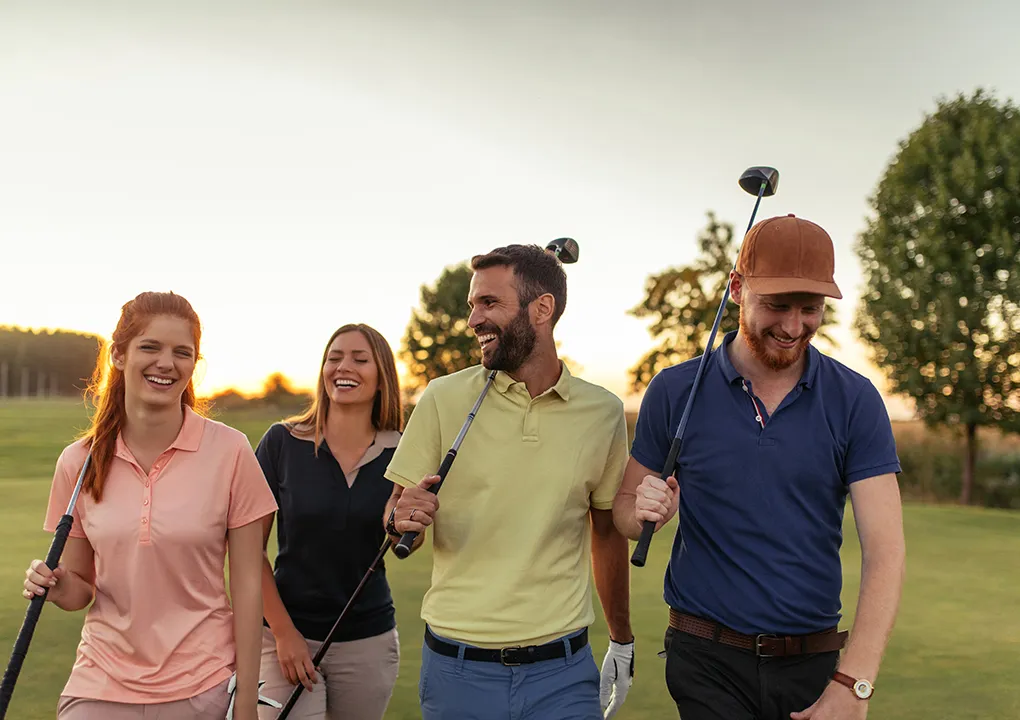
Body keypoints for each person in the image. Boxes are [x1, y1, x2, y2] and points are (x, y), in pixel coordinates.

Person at [614, 214, 907, 720]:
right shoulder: (674, 390)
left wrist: (853, 683)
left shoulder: (855, 400)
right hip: (705, 659)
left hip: (813, 665)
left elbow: (887, 553)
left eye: (810, 309)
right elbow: (622, 512)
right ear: (736, 289)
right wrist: (643, 510)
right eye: (776, 306)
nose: (794, 327)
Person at [384, 243, 635, 720]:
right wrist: (400, 519)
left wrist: (621, 639)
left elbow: (606, 533)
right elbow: (396, 519)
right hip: (457, 673)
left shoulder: (602, 412)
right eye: (472, 306)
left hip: (563, 674)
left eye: (489, 304)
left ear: (543, 309)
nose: (474, 319)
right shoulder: (442, 398)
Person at [21, 291, 278, 720]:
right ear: (119, 355)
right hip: (100, 683)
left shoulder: (231, 451)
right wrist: (57, 586)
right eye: (150, 347)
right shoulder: (78, 462)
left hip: (204, 684)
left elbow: (249, 586)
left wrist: (247, 702)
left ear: (194, 364)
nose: (166, 363)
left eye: (182, 352)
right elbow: (80, 588)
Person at [253, 324, 403, 720]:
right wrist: (284, 635)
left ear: (381, 374)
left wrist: (403, 526)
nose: (343, 367)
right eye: (334, 358)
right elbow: (248, 551)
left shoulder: (403, 450)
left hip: (368, 643)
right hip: (284, 637)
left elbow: (408, 537)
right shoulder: (280, 443)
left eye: (359, 359)